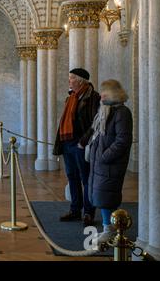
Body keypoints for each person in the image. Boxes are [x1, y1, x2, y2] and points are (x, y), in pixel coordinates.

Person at [53, 68, 100, 226]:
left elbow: (96, 122)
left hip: (81, 144)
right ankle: (75, 210)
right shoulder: (71, 97)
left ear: (80, 81)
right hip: (68, 143)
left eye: (72, 78)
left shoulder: (93, 97)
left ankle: (88, 212)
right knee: (72, 177)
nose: (69, 81)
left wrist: (83, 141)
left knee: (86, 178)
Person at [88, 80, 132, 244]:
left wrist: (104, 156)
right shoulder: (107, 110)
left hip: (110, 164)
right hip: (102, 164)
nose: (102, 95)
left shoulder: (122, 112)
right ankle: (108, 228)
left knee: (107, 197)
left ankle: (110, 231)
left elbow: (123, 140)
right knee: (103, 195)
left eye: (105, 91)